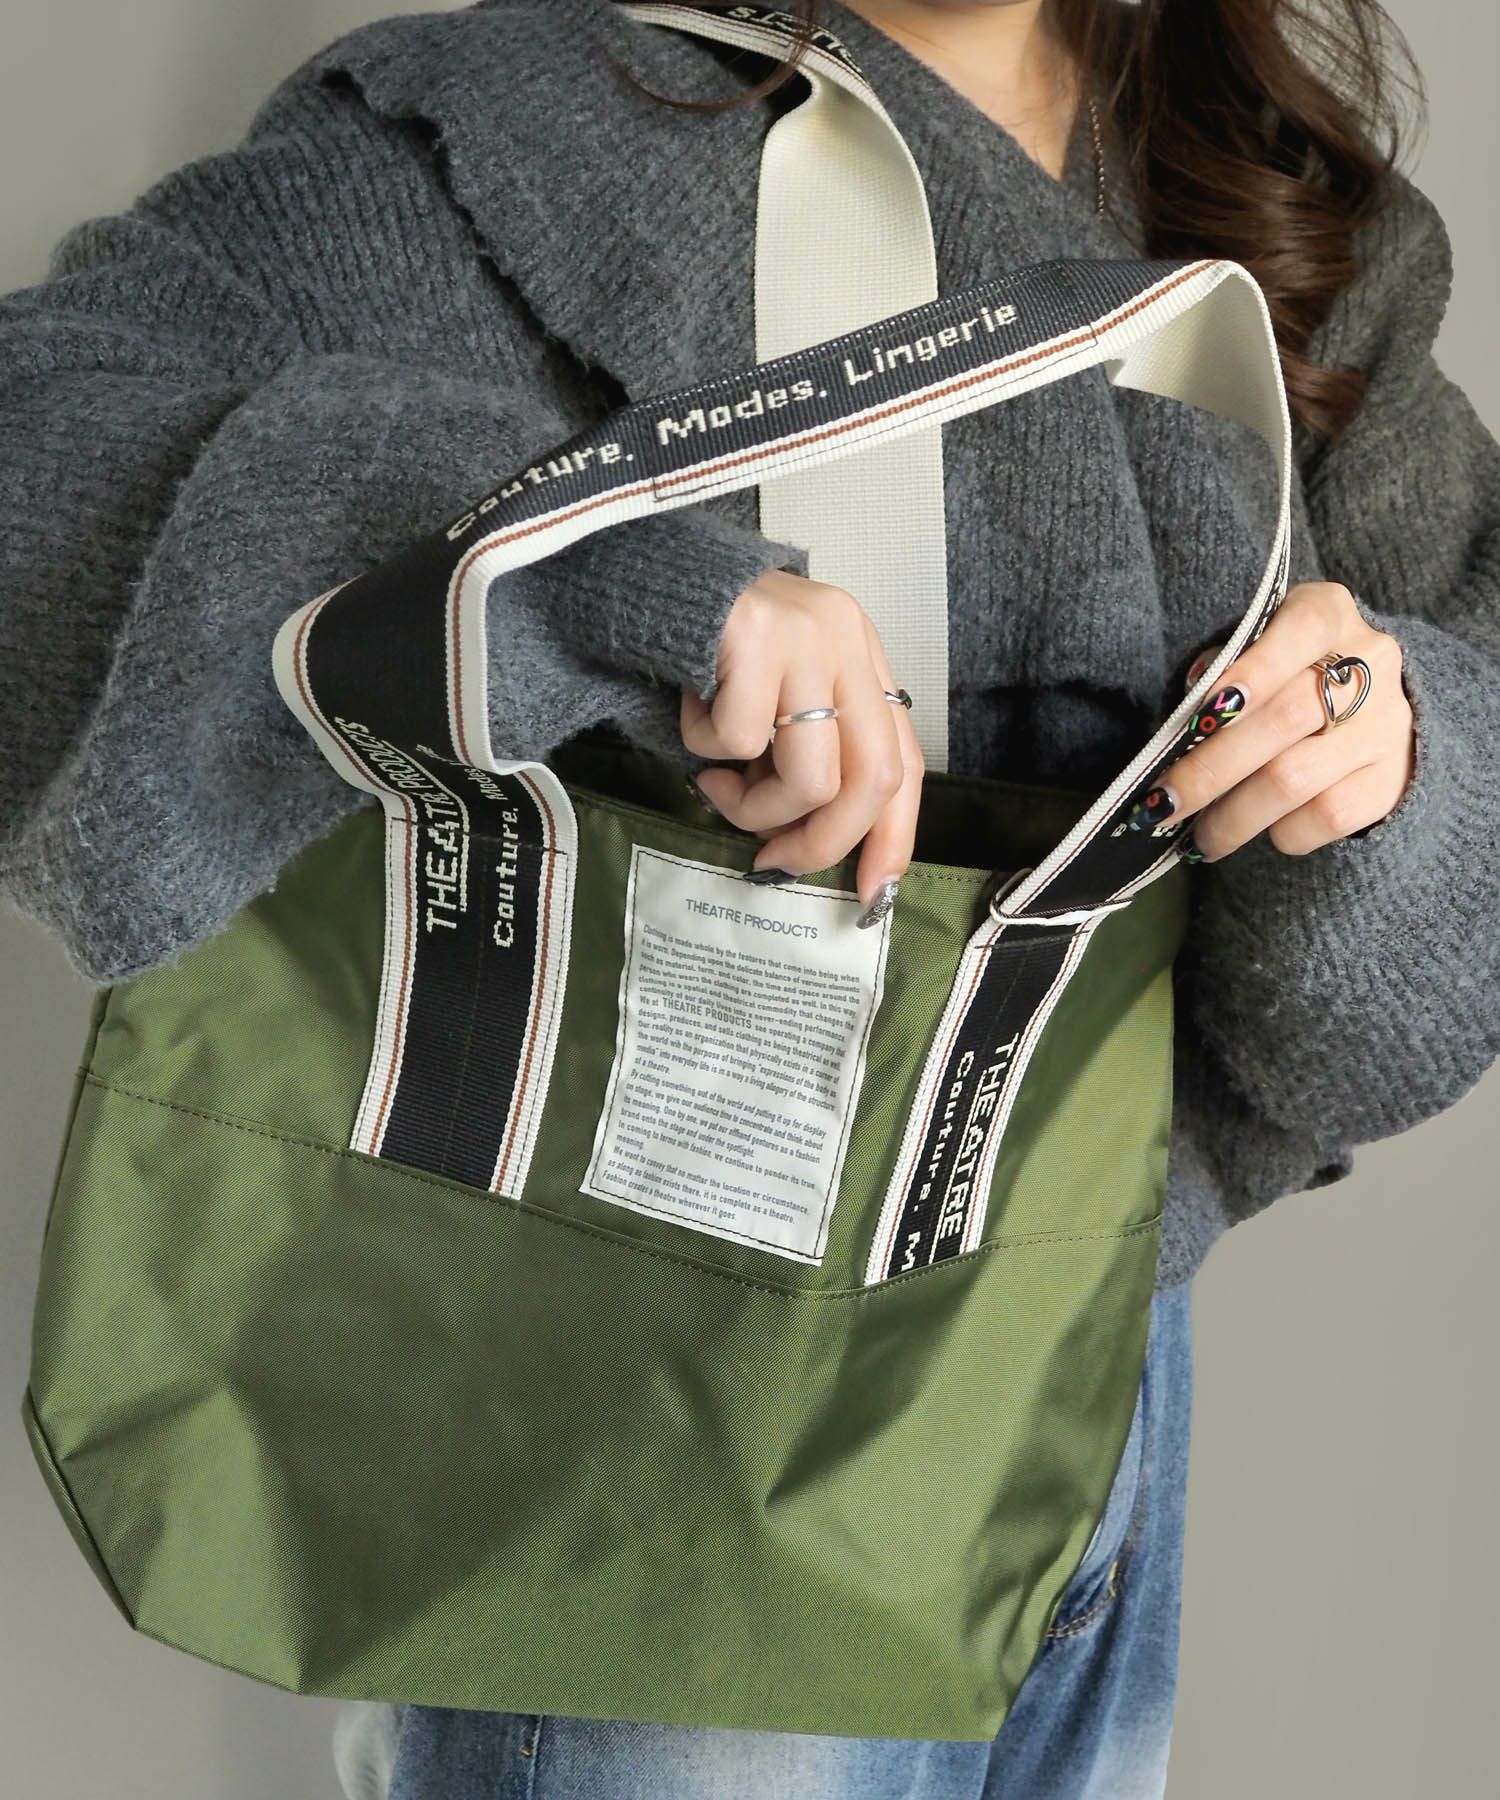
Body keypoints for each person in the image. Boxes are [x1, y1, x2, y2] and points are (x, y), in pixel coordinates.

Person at [4, 0, 1498, 1794]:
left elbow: (1440, 851)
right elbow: (40, 447)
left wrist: (1389, 753)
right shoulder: (499, 132)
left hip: (1095, 1388)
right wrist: (608, 569)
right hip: (668, 1420)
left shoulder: (1282, 210)